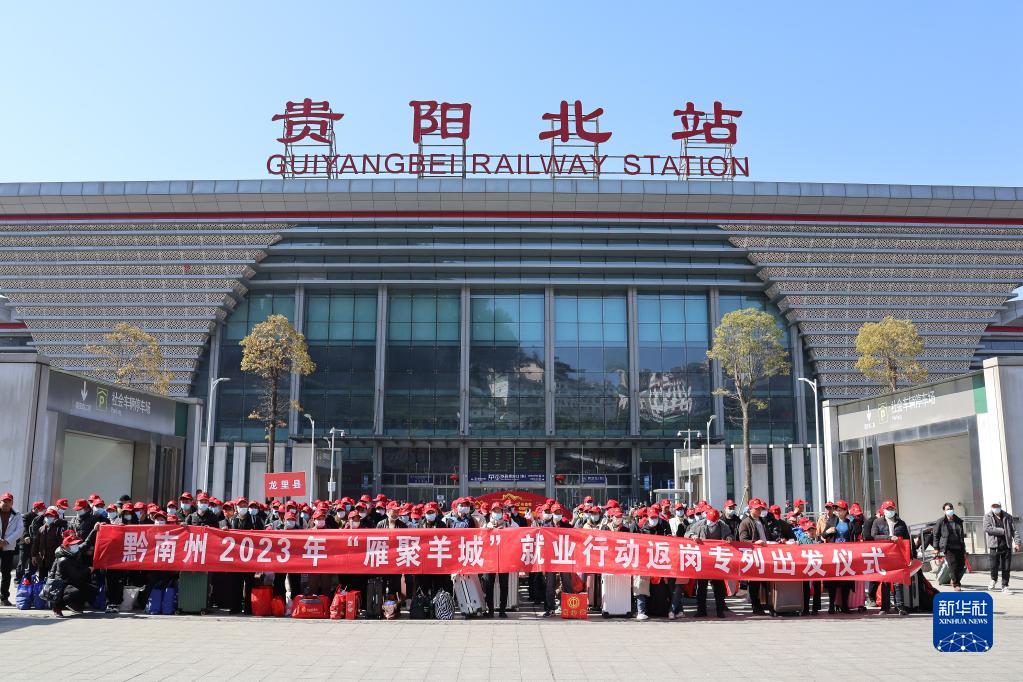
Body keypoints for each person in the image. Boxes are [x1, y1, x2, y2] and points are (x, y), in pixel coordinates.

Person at [687, 507, 731, 618]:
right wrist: (693, 536)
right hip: (703, 559)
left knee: (719, 587)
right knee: (702, 587)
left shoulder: (723, 526)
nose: (711, 523)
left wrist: (729, 538)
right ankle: (701, 610)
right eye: (709, 520)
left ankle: (720, 610)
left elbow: (730, 535)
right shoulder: (700, 524)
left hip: (717, 560)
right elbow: (687, 533)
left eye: (713, 521)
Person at [871, 499, 910, 615]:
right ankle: (885, 607)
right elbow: (874, 536)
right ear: (883, 510)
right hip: (884, 554)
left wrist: (910, 555)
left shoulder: (901, 523)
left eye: (892, 508)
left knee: (898, 581)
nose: (890, 510)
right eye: (888, 509)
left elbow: (907, 540)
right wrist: (889, 538)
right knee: (885, 581)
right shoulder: (878, 522)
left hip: (898, 554)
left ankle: (900, 606)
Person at [47, 530, 97, 617]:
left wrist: (94, 530)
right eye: (73, 545)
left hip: (71, 583)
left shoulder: (74, 552)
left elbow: (86, 543)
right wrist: (88, 570)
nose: (76, 546)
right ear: (66, 547)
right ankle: (57, 607)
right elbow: (76, 575)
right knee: (76, 592)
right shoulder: (63, 560)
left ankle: (74, 605)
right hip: (60, 587)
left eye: (76, 544)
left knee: (92, 589)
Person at [822, 499, 859, 613]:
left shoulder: (850, 522)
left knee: (846, 581)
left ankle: (844, 605)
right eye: (837, 510)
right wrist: (828, 532)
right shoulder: (832, 520)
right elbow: (823, 535)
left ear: (845, 511)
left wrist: (854, 521)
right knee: (832, 581)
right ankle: (831, 606)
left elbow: (858, 532)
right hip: (834, 554)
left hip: (847, 555)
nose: (838, 512)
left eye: (840, 510)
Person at [738, 498, 770, 615]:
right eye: (757, 508)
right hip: (754, 555)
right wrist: (754, 542)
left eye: (760, 508)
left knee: (766, 581)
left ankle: (766, 603)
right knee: (754, 582)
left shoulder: (762, 521)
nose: (760, 510)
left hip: (765, 554)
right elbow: (743, 540)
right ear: (751, 509)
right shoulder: (745, 522)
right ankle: (756, 606)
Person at [984, 501, 1020, 593]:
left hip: (1006, 545)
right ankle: (994, 579)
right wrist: (1002, 531)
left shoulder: (1008, 516)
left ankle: (1005, 586)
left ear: (1000, 506)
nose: (995, 508)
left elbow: (1013, 530)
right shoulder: (987, 516)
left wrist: (1017, 542)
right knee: (994, 566)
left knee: (1006, 567)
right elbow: (987, 528)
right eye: (994, 506)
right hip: (994, 546)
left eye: (997, 506)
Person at [932, 502, 967, 592]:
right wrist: (936, 548)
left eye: (951, 508)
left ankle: (953, 579)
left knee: (961, 565)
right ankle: (956, 584)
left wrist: (964, 549)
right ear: (944, 511)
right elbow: (936, 535)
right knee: (953, 565)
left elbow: (961, 536)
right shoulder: (941, 521)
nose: (950, 510)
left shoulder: (958, 521)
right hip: (948, 547)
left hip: (959, 546)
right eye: (948, 509)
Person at [482, 510, 510, 618]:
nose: (497, 513)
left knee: (504, 586)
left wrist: (506, 531)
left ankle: (502, 610)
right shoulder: (486, 525)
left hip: (504, 559)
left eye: (499, 511)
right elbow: (480, 539)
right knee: (488, 586)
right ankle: (490, 610)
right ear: (491, 513)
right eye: (495, 511)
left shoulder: (507, 525)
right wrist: (487, 531)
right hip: (489, 560)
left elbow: (514, 538)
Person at [32, 506, 66, 580]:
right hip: (42, 559)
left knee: (52, 580)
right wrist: (34, 555)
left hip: (54, 559)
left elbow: (62, 544)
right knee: (41, 579)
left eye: (51, 516)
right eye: (47, 516)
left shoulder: (59, 529)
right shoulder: (41, 529)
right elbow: (36, 543)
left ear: (56, 517)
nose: (48, 518)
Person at [0, 493, 22, 606]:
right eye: (4, 501)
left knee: (6, 573)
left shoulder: (17, 514)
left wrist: (6, 541)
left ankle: (4, 597)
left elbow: (19, 530)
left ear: (12, 503)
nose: (6, 504)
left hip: (8, 546)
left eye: (8, 502)